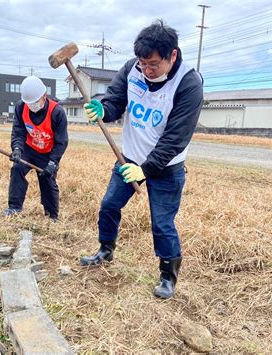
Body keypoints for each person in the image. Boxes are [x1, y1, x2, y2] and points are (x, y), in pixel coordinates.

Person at [80, 19, 203, 299]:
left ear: (172, 55)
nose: (146, 70)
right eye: (143, 63)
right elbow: (114, 101)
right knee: (109, 204)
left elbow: (174, 139)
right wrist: (103, 109)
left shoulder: (188, 84)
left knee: (162, 222)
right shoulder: (132, 68)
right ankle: (105, 250)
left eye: (154, 65)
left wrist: (145, 170)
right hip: (129, 158)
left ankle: (167, 275)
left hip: (166, 168)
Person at [4, 76, 68, 221]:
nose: (32, 106)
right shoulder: (21, 107)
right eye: (29, 103)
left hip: (48, 153)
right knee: (17, 169)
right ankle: (14, 207)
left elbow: (61, 142)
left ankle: (51, 215)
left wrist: (53, 162)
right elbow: (18, 132)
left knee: (47, 180)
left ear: (44, 96)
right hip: (28, 148)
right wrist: (17, 149)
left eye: (34, 102)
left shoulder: (57, 112)